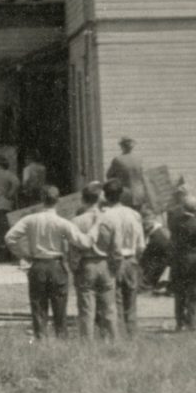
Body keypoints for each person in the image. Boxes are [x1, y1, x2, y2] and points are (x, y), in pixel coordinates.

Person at [5, 187, 77, 340]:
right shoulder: (62, 222)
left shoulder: (30, 220)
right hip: (57, 264)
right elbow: (78, 241)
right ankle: (61, 338)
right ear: (58, 201)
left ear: (41, 200)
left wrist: (24, 254)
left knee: (38, 305)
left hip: (37, 265)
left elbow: (9, 237)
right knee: (60, 305)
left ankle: (41, 338)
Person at [68, 184, 117, 342]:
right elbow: (116, 246)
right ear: (99, 199)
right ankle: (113, 339)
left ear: (83, 199)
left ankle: (87, 342)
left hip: (86, 263)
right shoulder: (109, 219)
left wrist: (74, 267)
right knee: (109, 307)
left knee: (86, 308)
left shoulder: (76, 221)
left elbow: (73, 248)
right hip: (105, 263)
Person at [98, 188, 147, 334]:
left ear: (106, 197)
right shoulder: (134, 214)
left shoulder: (105, 215)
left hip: (112, 260)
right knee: (131, 299)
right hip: (131, 259)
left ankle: (119, 334)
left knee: (114, 300)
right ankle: (132, 333)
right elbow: (141, 245)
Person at [166, 197, 196, 331]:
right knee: (194, 293)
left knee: (179, 293)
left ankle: (179, 322)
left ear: (183, 207)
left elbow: (172, 241)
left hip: (179, 261)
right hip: (195, 261)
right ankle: (191, 321)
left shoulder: (175, 223)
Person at [105, 138, 150, 213]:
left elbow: (109, 176)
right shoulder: (139, 159)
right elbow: (144, 176)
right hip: (139, 194)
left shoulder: (117, 160)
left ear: (121, 146)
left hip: (125, 194)